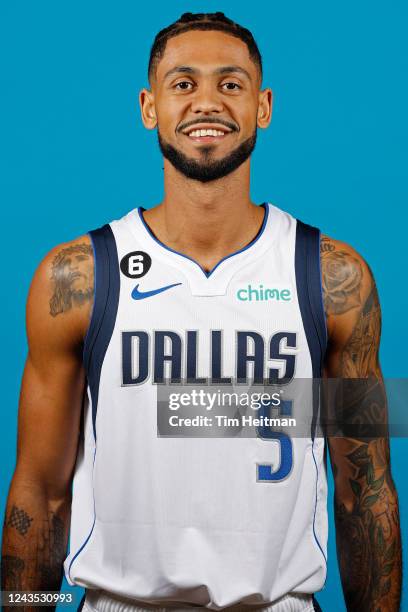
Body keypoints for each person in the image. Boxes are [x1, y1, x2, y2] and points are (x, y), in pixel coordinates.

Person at [1, 11, 402, 612]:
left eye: (231, 83)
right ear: (149, 106)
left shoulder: (332, 276)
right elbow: (40, 494)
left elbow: (363, 492)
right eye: (183, 84)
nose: (207, 102)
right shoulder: (78, 277)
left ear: (263, 107)